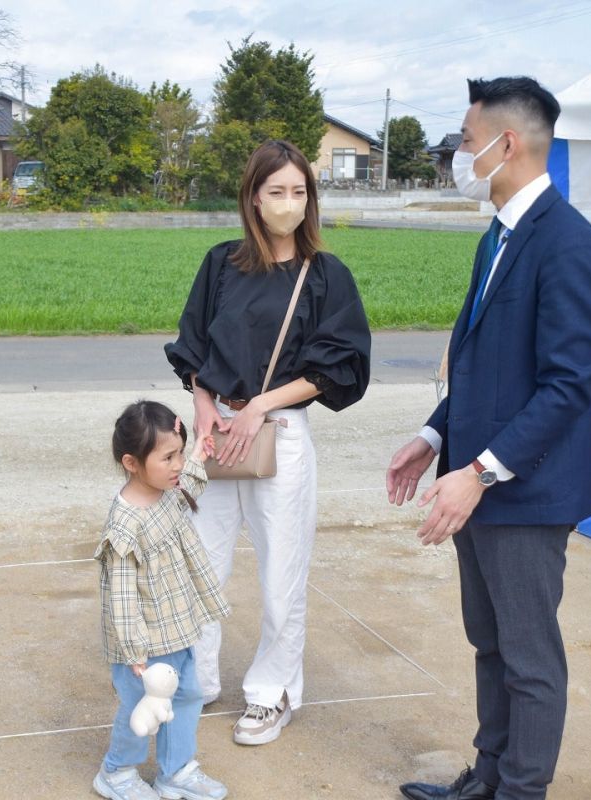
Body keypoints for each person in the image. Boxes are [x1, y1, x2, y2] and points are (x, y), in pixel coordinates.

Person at [385, 77, 591, 800]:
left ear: (505, 144)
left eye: (464, 137)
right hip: (478, 480)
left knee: (529, 656)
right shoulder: (501, 235)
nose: (458, 152)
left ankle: (522, 790)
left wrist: (479, 472)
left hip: (527, 489)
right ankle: (487, 777)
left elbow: (567, 387)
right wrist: (433, 436)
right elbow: (485, 366)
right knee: (490, 643)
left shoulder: (569, 245)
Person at [164, 140, 371, 746]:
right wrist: (204, 408)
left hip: (278, 433)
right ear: (253, 197)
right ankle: (194, 682)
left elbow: (340, 364)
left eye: (299, 192)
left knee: (282, 569)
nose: (288, 203)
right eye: (276, 191)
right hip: (216, 431)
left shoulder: (326, 274)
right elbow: (193, 347)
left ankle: (270, 692)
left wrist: (260, 404)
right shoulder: (221, 263)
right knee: (199, 563)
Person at [94, 400, 231, 800]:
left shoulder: (167, 490)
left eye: (179, 453)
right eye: (167, 456)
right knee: (140, 707)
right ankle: (116, 772)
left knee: (187, 695)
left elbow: (189, 481)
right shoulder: (125, 523)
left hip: (177, 625)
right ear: (131, 462)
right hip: (142, 643)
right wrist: (134, 650)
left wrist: (198, 456)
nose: (176, 465)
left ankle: (176, 770)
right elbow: (121, 596)